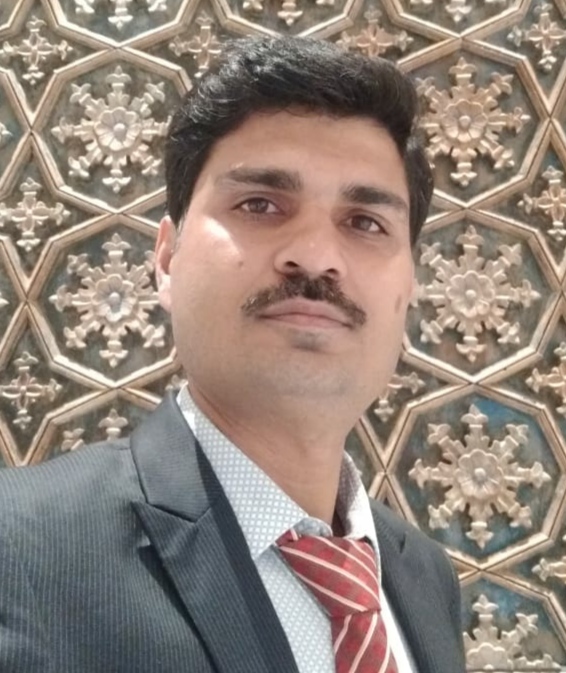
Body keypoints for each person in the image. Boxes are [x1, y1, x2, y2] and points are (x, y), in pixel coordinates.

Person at [0, 36, 466, 672]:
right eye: (260, 204)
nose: (316, 256)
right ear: (167, 260)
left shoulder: (425, 579)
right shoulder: (20, 546)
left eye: (365, 222)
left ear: (409, 287)